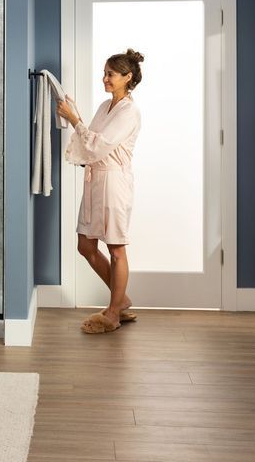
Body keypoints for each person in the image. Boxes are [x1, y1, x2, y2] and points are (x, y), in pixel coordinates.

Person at [56, 49, 144, 334]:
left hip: (114, 184)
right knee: (85, 245)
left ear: (127, 78)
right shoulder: (105, 106)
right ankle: (122, 299)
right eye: (104, 72)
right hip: (95, 181)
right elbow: (88, 146)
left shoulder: (129, 112)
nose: (104, 78)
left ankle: (115, 313)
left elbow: (96, 145)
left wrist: (75, 119)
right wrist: (77, 119)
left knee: (116, 248)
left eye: (110, 74)